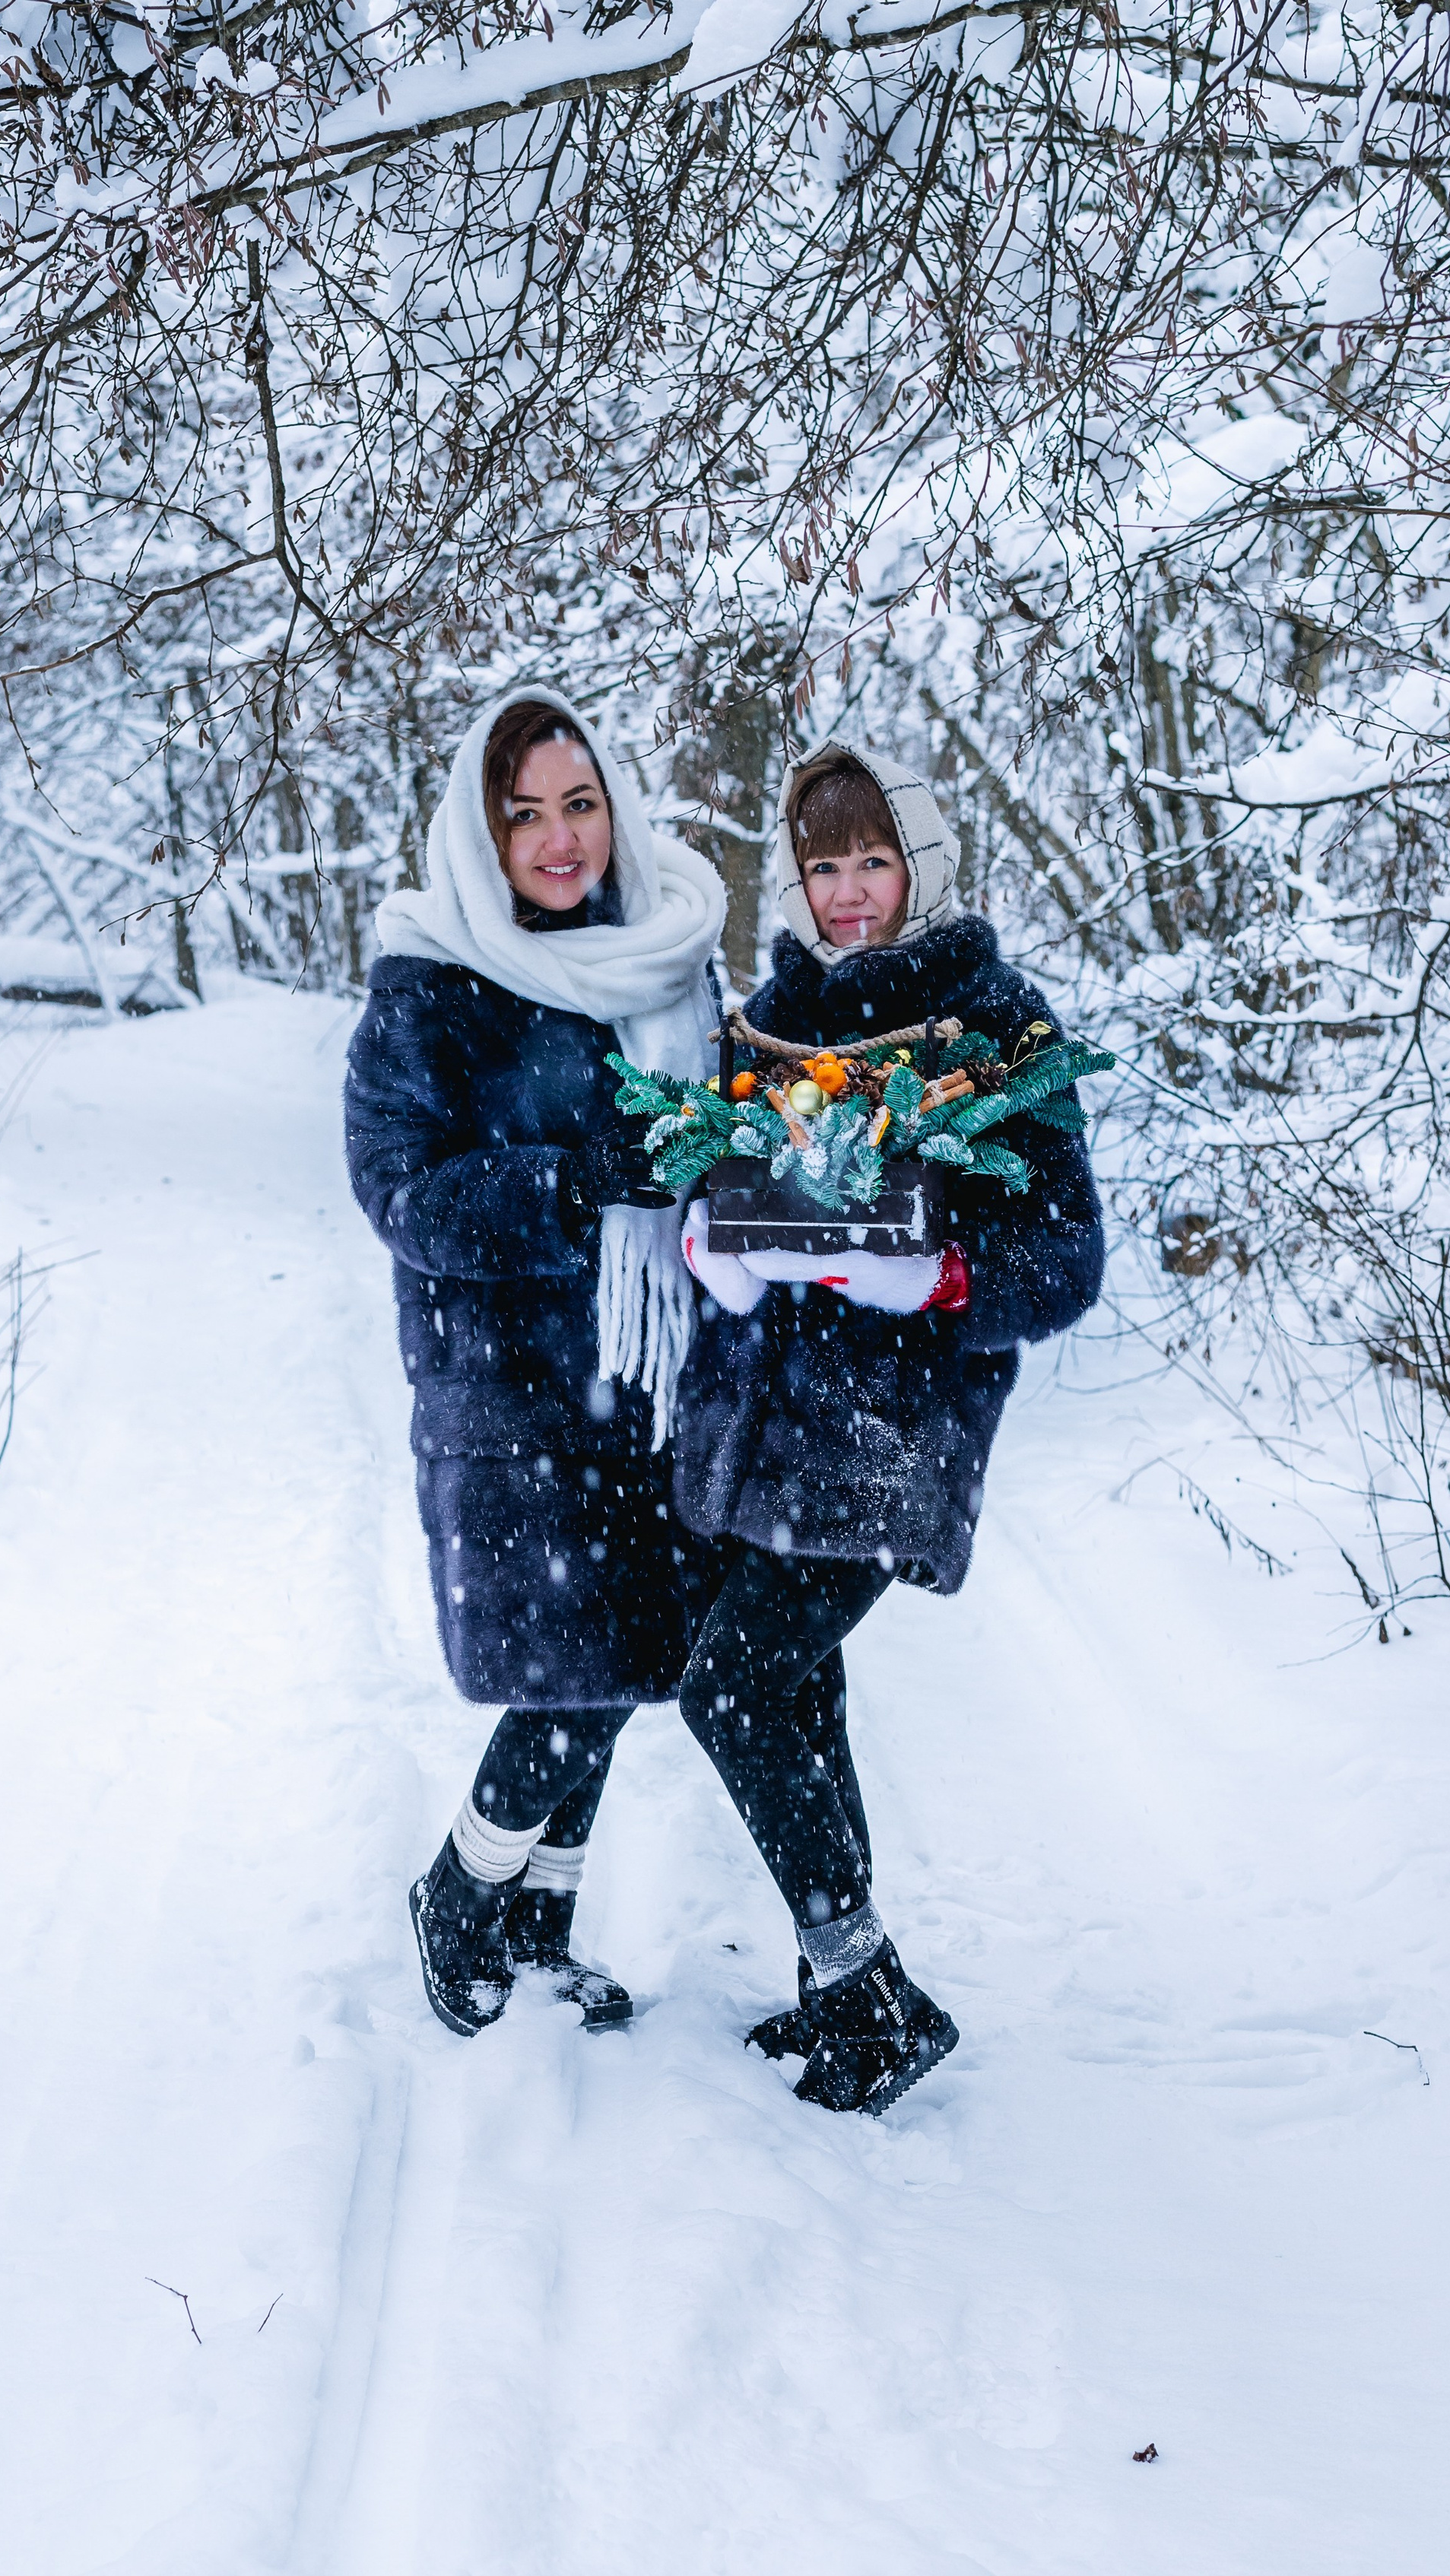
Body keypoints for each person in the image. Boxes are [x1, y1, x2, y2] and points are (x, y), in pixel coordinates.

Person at [671, 742, 1105, 2116]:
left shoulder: (993, 1022)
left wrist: (951, 1277)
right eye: (822, 865)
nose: (848, 893)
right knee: (795, 1690)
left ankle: (872, 1990)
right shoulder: (776, 1015)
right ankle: (836, 1997)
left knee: (727, 1686)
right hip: (766, 1416)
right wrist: (719, 1249)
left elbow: (1071, 1252)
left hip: (887, 1428)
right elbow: (725, 1168)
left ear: (918, 863)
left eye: (871, 861)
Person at [344, 690, 725, 2038]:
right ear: (482, 831)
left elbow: (724, 1119)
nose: (560, 839)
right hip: (507, 1387)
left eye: (580, 803)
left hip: (653, 1372)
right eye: (526, 815)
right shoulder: (432, 973)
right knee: (571, 1680)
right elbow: (400, 1189)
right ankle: (460, 1893)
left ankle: (537, 1923)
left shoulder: (671, 949)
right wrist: (574, 1184)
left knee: (620, 1668)